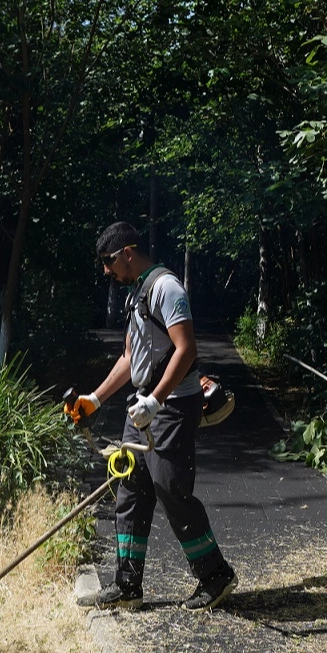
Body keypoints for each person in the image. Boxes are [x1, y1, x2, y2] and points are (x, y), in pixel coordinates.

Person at [70, 222, 238, 611]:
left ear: (128, 252)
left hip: (173, 405)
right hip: (143, 405)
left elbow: (186, 348)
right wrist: (93, 399)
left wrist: (157, 401)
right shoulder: (136, 295)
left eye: (109, 262)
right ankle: (127, 585)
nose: (106, 271)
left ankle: (215, 575)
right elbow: (130, 359)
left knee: (170, 487)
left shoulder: (166, 288)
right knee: (129, 489)